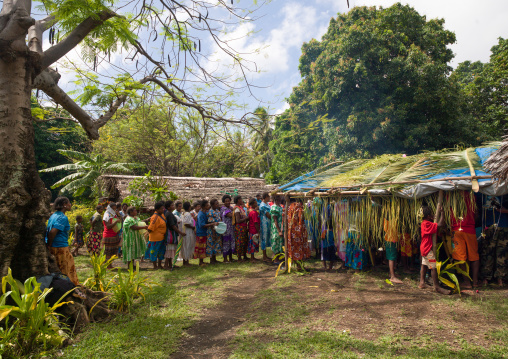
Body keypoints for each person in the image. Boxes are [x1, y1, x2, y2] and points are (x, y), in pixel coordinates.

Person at [45, 197, 79, 285]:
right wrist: (50, 243)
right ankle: (71, 289)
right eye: (69, 203)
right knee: (67, 271)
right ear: (64, 204)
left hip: (54, 247)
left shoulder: (54, 215)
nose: (70, 205)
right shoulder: (62, 217)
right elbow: (53, 232)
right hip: (60, 248)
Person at [418, 205, 450, 294]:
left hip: (424, 247)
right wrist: (442, 214)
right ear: (428, 216)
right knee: (433, 267)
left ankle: (422, 283)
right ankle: (437, 287)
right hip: (427, 249)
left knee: (424, 264)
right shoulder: (426, 223)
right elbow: (440, 225)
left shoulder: (424, 223)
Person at [450, 192, 480, 288]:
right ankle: (475, 282)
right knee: (474, 256)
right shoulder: (472, 196)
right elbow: (476, 214)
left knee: (460, 257)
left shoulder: (451, 196)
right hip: (470, 230)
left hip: (457, 230)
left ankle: (467, 283)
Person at [481, 196, 508, 287]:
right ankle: (486, 278)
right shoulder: (481, 188)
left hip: (503, 225)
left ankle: (500, 278)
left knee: (501, 253)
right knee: (488, 252)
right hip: (489, 226)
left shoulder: (504, 188)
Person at [287, 200, 311, 264]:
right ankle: (299, 265)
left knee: (294, 248)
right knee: (299, 247)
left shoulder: (289, 206)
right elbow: (300, 218)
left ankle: (297, 264)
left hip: (291, 230)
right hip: (297, 231)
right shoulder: (298, 206)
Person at [164, 201, 186, 270]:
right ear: (168, 207)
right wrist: (180, 232)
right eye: (172, 205)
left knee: (171, 249)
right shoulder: (169, 214)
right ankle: (166, 265)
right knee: (169, 249)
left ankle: (170, 264)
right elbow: (173, 225)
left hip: (172, 233)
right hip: (170, 233)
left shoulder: (169, 213)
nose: (173, 206)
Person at [145, 201, 167, 270]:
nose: (162, 210)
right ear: (157, 209)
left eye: (163, 208)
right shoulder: (155, 217)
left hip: (161, 237)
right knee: (154, 252)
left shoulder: (162, 215)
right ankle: (155, 266)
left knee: (161, 251)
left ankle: (160, 265)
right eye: (161, 209)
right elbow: (150, 229)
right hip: (155, 238)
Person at [195, 199, 215, 266]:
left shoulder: (205, 213)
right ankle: (200, 262)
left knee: (203, 247)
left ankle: (202, 261)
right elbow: (202, 225)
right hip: (201, 232)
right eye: (207, 205)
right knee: (201, 247)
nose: (208, 206)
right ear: (203, 206)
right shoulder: (201, 214)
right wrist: (211, 224)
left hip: (204, 232)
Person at [384, 218, 403, 284]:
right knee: (391, 258)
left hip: (392, 239)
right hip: (390, 239)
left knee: (393, 256)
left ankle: (391, 273)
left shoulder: (389, 219)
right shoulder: (388, 219)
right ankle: (392, 277)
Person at [102, 203, 121, 267]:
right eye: (113, 208)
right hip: (108, 235)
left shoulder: (114, 214)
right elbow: (108, 226)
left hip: (114, 235)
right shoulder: (107, 215)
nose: (114, 209)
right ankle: (108, 265)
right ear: (110, 208)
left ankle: (110, 264)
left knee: (113, 251)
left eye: (115, 208)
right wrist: (116, 222)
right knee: (108, 252)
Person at [206, 199, 223, 264]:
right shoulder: (211, 212)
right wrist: (213, 233)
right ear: (212, 205)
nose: (217, 205)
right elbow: (211, 223)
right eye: (216, 204)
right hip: (212, 230)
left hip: (218, 230)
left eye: (218, 203)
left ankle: (215, 258)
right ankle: (212, 259)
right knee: (212, 243)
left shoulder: (217, 211)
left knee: (216, 244)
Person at [220, 195, 236, 263]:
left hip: (231, 228)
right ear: (223, 202)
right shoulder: (224, 209)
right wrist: (236, 212)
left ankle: (230, 258)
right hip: (226, 229)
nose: (228, 202)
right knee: (226, 243)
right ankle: (225, 259)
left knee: (230, 243)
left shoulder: (231, 208)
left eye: (229, 201)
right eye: (226, 201)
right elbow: (230, 215)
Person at [234, 196, 249, 262]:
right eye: (240, 199)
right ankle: (239, 257)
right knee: (240, 242)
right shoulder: (237, 209)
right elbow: (238, 220)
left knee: (245, 241)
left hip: (244, 227)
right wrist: (246, 218)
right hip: (240, 228)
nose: (242, 201)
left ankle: (244, 255)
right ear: (238, 200)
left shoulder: (241, 208)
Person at [181, 202, 197, 266]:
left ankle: (185, 261)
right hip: (188, 232)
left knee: (186, 246)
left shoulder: (184, 213)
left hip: (187, 232)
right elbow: (186, 223)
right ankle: (186, 261)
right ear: (189, 207)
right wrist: (192, 227)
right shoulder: (187, 214)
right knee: (187, 246)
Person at [259, 192, 272, 262]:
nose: (269, 198)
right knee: (264, 238)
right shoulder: (262, 205)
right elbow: (268, 215)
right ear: (266, 197)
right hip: (264, 224)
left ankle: (266, 255)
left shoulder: (267, 204)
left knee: (267, 238)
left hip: (268, 223)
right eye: (268, 197)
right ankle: (264, 256)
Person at [247, 198, 261, 262]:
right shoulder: (253, 212)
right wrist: (258, 231)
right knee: (253, 243)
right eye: (255, 203)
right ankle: (252, 258)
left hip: (252, 229)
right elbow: (255, 222)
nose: (256, 204)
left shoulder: (251, 211)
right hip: (254, 230)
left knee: (253, 243)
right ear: (252, 204)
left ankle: (253, 257)